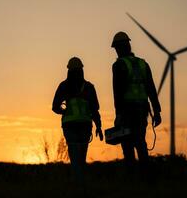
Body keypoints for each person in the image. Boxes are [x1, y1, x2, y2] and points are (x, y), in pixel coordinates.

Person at [110, 31, 162, 174]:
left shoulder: (119, 65)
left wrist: (118, 115)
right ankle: (146, 176)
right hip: (142, 109)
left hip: (127, 110)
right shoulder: (142, 64)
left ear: (118, 48)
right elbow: (151, 89)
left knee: (127, 144)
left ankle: (132, 177)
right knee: (140, 142)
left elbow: (118, 93)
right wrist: (156, 111)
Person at [52, 57, 103, 183]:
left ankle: (77, 183)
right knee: (81, 158)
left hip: (70, 126)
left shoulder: (64, 86)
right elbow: (95, 109)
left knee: (75, 158)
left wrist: (64, 111)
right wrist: (98, 127)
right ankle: (80, 184)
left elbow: (55, 107)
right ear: (82, 69)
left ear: (68, 70)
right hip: (85, 126)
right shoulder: (89, 87)